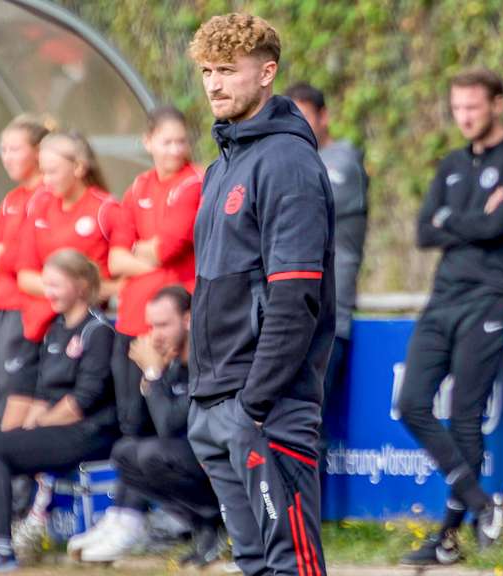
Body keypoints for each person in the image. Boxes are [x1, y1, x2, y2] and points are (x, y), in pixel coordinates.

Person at [186, 14, 335, 576]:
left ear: (267, 73)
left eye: (228, 69)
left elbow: (296, 299)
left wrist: (254, 403)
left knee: (290, 563)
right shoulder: (221, 165)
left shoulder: (288, 162)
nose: (214, 84)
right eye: (207, 70)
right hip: (215, 400)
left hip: (266, 405)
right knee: (253, 561)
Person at [397, 68, 503, 566]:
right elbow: (423, 231)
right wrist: (472, 222)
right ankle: (484, 505)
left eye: (473, 108)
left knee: (465, 418)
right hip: (443, 298)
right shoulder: (452, 163)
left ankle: (446, 541)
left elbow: (498, 226)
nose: (464, 117)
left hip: (489, 297)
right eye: (457, 108)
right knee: (411, 402)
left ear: (497, 105)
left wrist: (453, 222)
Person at [0, 249, 118, 574]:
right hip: (58, 427)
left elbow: (83, 401)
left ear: (82, 286)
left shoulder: (97, 332)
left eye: (56, 285)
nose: (49, 292)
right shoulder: (56, 329)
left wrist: (38, 425)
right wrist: (27, 428)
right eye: (47, 285)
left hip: (89, 433)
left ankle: (2, 549)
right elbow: (43, 393)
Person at [97, 105, 204, 548]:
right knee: (130, 423)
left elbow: (169, 248)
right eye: (166, 141)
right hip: (131, 320)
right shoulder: (138, 186)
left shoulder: (195, 182)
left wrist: (139, 254)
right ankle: (126, 516)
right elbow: (114, 257)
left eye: (181, 141)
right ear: (148, 142)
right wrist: (141, 253)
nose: (174, 149)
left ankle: (165, 515)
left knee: (165, 422)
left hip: (170, 325)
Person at [76, 286, 223, 565]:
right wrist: (154, 373)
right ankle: (203, 527)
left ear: (188, 319)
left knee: (152, 454)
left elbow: (169, 425)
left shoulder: (206, 361)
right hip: (190, 458)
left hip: (220, 463)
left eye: (164, 325)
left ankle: (216, 520)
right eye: (152, 325)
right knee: (124, 452)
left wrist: (154, 374)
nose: (156, 334)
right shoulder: (172, 360)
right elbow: (135, 424)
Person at [10, 130, 118, 432]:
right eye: (42, 171)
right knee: (10, 427)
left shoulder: (105, 208)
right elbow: (24, 274)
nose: (44, 180)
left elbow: (122, 276)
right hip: (38, 327)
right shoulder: (41, 205)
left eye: (51, 171)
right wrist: (64, 289)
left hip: (81, 331)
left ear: (79, 168)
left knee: (40, 427)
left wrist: (80, 292)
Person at [284, 81, 368, 456]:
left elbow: (297, 209)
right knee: (283, 424)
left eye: (304, 117)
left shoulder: (342, 165)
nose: (297, 126)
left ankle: (306, 516)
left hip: (329, 319)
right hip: (293, 316)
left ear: (324, 118)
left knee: (306, 425)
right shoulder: (291, 163)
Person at [0, 115, 51, 437]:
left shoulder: (46, 195)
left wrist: (3, 255)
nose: (6, 157)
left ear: (37, 152)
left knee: (13, 398)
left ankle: (15, 482)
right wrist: (3, 256)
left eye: (14, 149)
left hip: (24, 310)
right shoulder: (12, 198)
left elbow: (24, 258)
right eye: (3, 150)